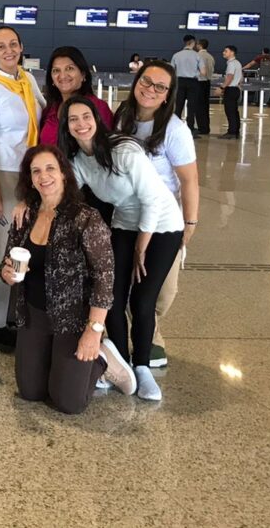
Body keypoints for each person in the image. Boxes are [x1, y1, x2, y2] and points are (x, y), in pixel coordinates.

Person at [57, 96, 184, 401]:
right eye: (73, 120)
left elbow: (153, 199)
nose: (81, 124)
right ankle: (122, 363)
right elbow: (63, 193)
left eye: (86, 117)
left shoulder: (124, 150)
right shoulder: (79, 161)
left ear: (96, 120)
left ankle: (141, 365)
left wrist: (142, 246)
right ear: (67, 127)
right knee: (110, 296)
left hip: (163, 224)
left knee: (142, 299)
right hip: (126, 222)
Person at [0, 146, 135, 413]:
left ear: (63, 173)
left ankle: (102, 359)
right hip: (34, 315)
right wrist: (6, 274)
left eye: (50, 168)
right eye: (36, 171)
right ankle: (60, 364)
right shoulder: (24, 216)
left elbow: (105, 278)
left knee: (68, 402)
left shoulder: (85, 218)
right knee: (30, 392)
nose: (43, 176)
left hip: (73, 320)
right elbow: (6, 262)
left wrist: (93, 331)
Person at [112, 61, 199, 369]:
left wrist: (189, 224)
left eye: (159, 87)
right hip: (125, 217)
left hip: (163, 222)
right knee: (118, 290)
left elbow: (189, 180)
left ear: (167, 95)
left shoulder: (175, 130)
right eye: (145, 82)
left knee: (159, 292)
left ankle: (148, 342)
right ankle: (123, 350)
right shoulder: (122, 118)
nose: (150, 89)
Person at [0, 25, 44, 336]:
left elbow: (43, 111)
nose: (8, 51)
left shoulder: (25, 80)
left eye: (12, 44)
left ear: (21, 46)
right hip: (3, 173)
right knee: (2, 240)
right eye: (0, 46)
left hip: (31, 173)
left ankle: (17, 311)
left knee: (25, 243)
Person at [39, 46, 112, 146]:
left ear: (83, 74)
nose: (63, 76)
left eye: (69, 68)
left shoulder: (98, 107)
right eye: (56, 70)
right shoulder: (50, 109)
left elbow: (107, 146)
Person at [170, 35, 204, 135]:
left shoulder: (176, 55)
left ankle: (174, 129)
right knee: (191, 106)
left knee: (178, 106)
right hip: (193, 82)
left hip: (179, 81)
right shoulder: (197, 56)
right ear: (193, 43)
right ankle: (190, 129)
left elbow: (171, 70)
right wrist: (195, 74)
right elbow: (203, 72)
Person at [217, 45, 243, 139]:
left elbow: (230, 77)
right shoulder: (238, 63)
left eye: (226, 51)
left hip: (231, 89)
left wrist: (222, 87)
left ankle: (231, 132)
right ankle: (236, 130)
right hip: (236, 89)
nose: (223, 53)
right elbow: (241, 77)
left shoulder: (231, 64)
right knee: (234, 111)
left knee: (230, 111)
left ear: (232, 52)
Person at [196, 39, 216, 133]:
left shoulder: (197, 56)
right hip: (207, 82)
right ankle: (206, 127)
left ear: (199, 45)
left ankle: (201, 128)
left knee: (198, 106)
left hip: (199, 82)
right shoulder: (211, 57)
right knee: (205, 105)